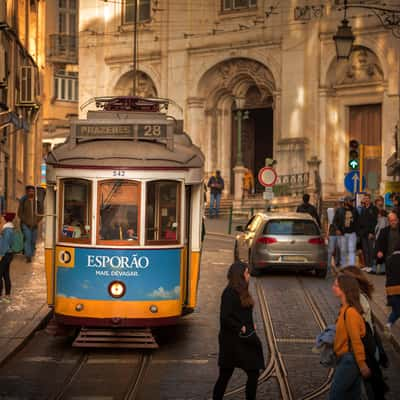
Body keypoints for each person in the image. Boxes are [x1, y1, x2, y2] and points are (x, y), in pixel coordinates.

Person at [213, 262, 264, 400]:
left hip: (244, 340)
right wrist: (240, 327)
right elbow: (225, 317)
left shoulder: (242, 290)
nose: (249, 275)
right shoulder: (229, 292)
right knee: (225, 375)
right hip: (232, 342)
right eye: (247, 273)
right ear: (240, 275)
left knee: (253, 372)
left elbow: (243, 312)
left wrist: (250, 324)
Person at [329, 274, 370, 400]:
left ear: (345, 289)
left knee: (335, 394)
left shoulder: (350, 313)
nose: (332, 288)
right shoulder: (345, 309)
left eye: (336, 285)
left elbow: (356, 341)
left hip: (350, 360)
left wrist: (362, 364)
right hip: (346, 358)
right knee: (352, 396)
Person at [17, 185, 42, 263]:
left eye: (32, 191)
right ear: (27, 192)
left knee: (33, 241)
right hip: (26, 225)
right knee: (28, 239)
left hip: (35, 225)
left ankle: (31, 253)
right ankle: (28, 256)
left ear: (34, 192)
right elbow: (19, 213)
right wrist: (26, 221)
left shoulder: (37, 202)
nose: (31, 192)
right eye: (30, 191)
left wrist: (36, 221)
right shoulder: (23, 201)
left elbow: (41, 213)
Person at [333, 196, 358, 267]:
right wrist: (337, 229)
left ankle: (351, 265)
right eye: (351, 201)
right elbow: (335, 221)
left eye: (352, 201)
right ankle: (341, 264)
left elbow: (358, 222)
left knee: (351, 250)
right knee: (342, 250)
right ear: (346, 202)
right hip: (342, 233)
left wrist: (357, 232)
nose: (352, 203)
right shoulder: (339, 210)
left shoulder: (354, 210)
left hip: (352, 233)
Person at [358, 194, 378, 272]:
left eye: (367, 198)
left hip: (370, 233)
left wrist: (372, 232)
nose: (366, 200)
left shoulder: (374, 209)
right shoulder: (363, 209)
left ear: (370, 199)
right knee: (365, 250)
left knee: (370, 250)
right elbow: (360, 221)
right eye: (365, 198)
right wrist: (360, 231)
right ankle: (366, 265)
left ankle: (371, 265)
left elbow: (374, 222)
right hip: (363, 233)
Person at [0, 212, 16, 303]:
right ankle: (7, 296)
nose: (1, 218)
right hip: (9, 254)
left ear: (6, 219)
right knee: (6, 275)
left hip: (5, 255)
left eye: (3, 217)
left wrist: (1, 255)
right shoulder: (10, 229)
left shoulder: (7, 230)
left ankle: (2, 296)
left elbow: (5, 245)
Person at [327, 201, 342, 274]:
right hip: (332, 233)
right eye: (337, 207)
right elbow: (329, 223)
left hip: (339, 233)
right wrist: (327, 233)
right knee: (331, 250)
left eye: (339, 207)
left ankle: (337, 263)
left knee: (338, 248)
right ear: (335, 206)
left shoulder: (341, 213)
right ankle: (329, 266)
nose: (338, 208)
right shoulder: (330, 211)